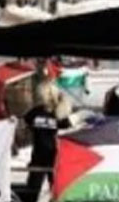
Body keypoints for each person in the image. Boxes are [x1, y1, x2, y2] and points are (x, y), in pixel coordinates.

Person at [18, 71, 73, 202]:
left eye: (42, 94)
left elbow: (69, 131)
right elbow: (23, 122)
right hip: (39, 155)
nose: (40, 97)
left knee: (56, 188)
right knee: (33, 189)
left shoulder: (59, 113)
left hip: (54, 155)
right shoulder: (36, 111)